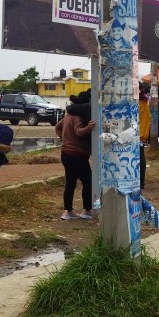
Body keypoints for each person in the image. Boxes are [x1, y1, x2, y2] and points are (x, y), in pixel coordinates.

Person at [56, 90, 96, 220]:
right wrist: (89, 128)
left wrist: (64, 140)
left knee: (70, 183)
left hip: (66, 154)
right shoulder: (77, 117)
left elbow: (57, 127)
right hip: (77, 155)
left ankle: (68, 211)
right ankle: (87, 210)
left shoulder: (68, 116)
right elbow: (79, 132)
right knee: (88, 181)